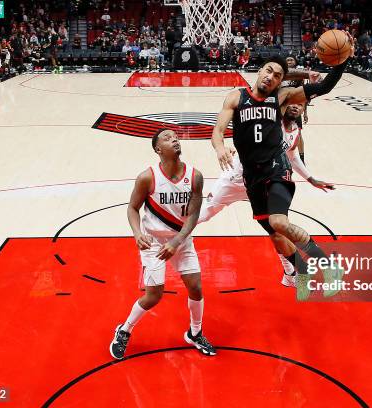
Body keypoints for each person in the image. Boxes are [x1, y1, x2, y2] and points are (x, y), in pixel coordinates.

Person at [211, 35, 354, 300]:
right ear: (260, 71)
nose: (271, 77)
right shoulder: (236, 96)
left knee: (279, 221)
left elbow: (323, 88)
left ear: (280, 81)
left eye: (277, 75)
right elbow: (218, 130)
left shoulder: (282, 97)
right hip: (251, 176)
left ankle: (330, 268)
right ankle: (301, 273)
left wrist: (342, 63)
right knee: (275, 234)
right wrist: (220, 147)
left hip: (277, 167)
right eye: (268, 71)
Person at [200, 103, 334, 287]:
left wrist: (311, 178)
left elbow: (292, 157)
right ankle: (168, 229)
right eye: (292, 102)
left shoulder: (294, 132)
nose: (295, 106)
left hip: (263, 182)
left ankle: (299, 270)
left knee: (277, 230)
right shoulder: (271, 121)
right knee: (204, 214)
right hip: (235, 179)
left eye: (300, 104)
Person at [110, 129, 216, 359]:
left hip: (181, 239)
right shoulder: (147, 178)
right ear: (158, 149)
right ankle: (125, 329)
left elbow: (194, 215)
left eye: (176, 137)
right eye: (167, 138)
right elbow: (132, 208)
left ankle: (195, 333)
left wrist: (177, 242)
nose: (175, 139)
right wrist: (137, 233)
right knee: (154, 295)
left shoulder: (195, 176)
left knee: (196, 287)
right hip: (154, 242)